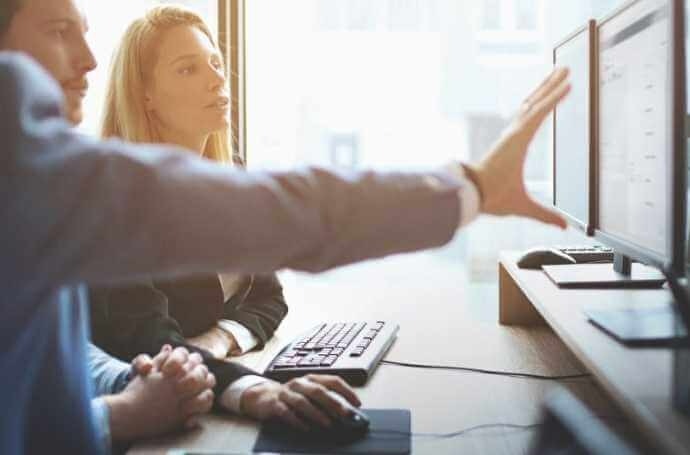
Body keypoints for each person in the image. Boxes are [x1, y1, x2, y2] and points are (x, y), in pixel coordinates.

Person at [0, 0, 570, 453]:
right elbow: (282, 212)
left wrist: (128, 402)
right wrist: (471, 189)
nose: (89, 59)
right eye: (57, 30)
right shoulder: (27, 153)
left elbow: (61, 353)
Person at [88, 5, 290, 417]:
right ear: (145, 94)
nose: (218, 78)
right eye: (188, 69)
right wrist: (252, 387)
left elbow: (270, 296)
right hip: (140, 412)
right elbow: (148, 339)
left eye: (215, 62)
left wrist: (218, 339)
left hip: (202, 380)